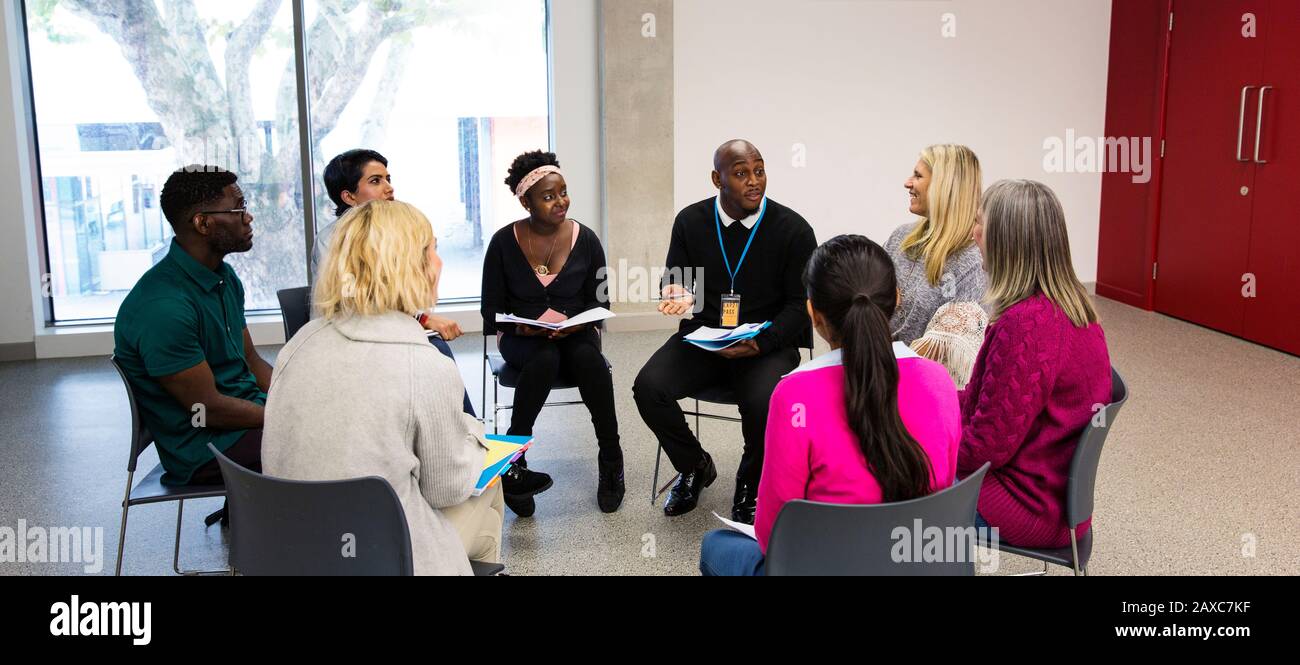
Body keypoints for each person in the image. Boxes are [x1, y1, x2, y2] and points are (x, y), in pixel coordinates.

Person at [263, 200, 502, 575]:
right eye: (432, 250)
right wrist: (477, 434)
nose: (439, 263)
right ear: (410, 266)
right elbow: (448, 488)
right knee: (489, 484)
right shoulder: (425, 366)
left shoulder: (299, 344)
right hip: (380, 557)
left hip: (293, 547)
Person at [699, 235, 961, 576]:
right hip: (922, 565)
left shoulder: (795, 394)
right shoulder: (938, 380)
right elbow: (946, 489)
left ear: (813, 314)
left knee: (715, 545)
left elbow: (773, 534)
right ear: (896, 299)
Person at [633, 139, 817, 524]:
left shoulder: (794, 229)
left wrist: (761, 343)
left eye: (759, 170)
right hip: (705, 338)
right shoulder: (690, 221)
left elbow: (800, 306)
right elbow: (677, 281)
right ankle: (695, 465)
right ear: (717, 179)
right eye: (740, 173)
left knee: (763, 400)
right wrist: (676, 294)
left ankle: (751, 484)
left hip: (767, 343)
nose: (754, 181)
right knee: (648, 387)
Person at [958, 179, 1112, 548]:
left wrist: (920, 446)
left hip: (1025, 507)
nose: (973, 232)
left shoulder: (1027, 325)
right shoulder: (1072, 305)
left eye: (981, 223)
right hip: (1056, 501)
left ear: (1007, 241)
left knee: (889, 481)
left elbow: (984, 450)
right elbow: (989, 403)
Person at [481, 150, 624, 516]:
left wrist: (572, 321)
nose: (560, 201)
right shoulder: (502, 243)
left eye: (562, 192)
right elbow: (490, 308)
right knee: (543, 358)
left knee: (589, 360)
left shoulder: (586, 239)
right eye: (548, 196)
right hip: (522, 338)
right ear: (525, 201)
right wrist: (525, 325)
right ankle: (514, 462)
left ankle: (611, 458)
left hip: (575, 333)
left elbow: (601, 301)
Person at [113, 165, 271, 490]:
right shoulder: (163, 306)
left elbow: (252, 362)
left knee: (338, 423)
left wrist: (298, 397)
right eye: (238, 207)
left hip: (242, 421)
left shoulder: (225, 277)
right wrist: (288, 415)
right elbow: (207, 409)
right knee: (334, 442)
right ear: (202, 222)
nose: (248, 217)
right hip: (206, 449)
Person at [315, 149, 473, 416]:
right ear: (349, 196)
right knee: (433, 353)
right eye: (376, 181)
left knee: (434, 351)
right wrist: (421, 321)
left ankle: (467, 430)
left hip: (378, 327)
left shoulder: (392, 230)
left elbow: (393, 295)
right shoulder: (333, 240)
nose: (389, 188)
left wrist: (420, 319)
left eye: (388, 178)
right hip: (348, 334)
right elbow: (357, 303)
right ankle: (466, 434)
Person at [885, 144, 987, 345]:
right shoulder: (900, 238)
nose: (907, 183)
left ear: (944, 187)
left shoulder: (974, 262)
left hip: (928, 375)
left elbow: (957, 348)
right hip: (880, 370)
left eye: (918, 176)